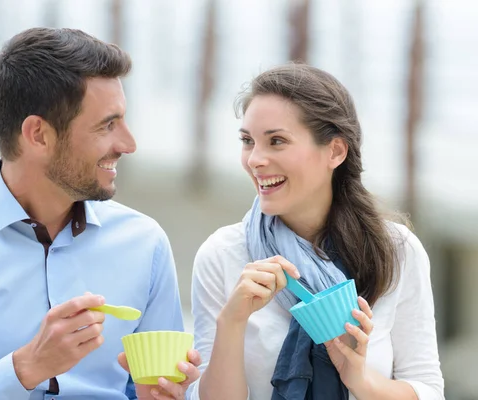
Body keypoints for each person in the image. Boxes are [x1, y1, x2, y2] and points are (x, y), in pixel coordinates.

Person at [0, 27, 200, 400]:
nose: (128, 144)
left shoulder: (145, 244)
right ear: (38, 134)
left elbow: (157, 389)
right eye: (107, 125)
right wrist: (24, 369)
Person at [187, 64, 444, 400]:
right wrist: (231, 323)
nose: (255, 160)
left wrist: (361, 380)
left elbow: (428, 389)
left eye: (276, 141)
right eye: (248, 141)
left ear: (335, 151)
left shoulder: (395, 249)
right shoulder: (222, 253)